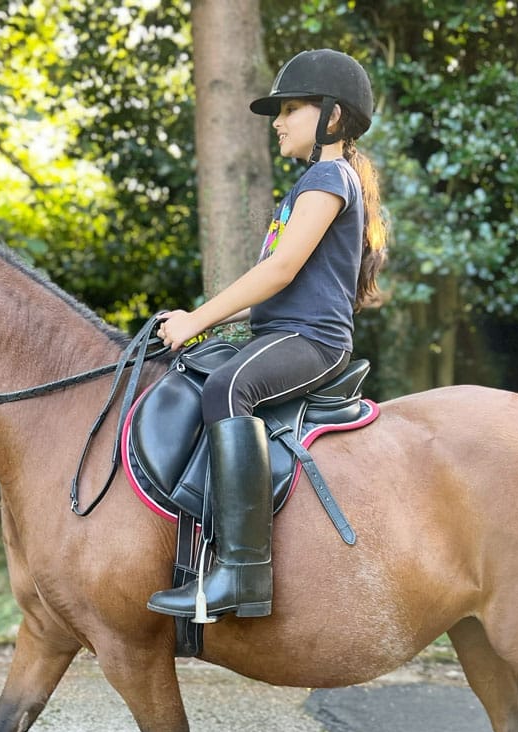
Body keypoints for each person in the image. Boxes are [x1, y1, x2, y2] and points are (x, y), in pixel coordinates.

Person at [146, 48, 387, 621]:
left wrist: (196, 321)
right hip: (281, 332)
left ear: (331, 117)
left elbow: (278, 270)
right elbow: (272, 287)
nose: (277, 122)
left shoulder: (330, 176)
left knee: (227, 390)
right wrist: (195, 322)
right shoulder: (310, 182)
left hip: (313, 341)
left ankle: (241, 573)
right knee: (202, 371)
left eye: (290, 110)